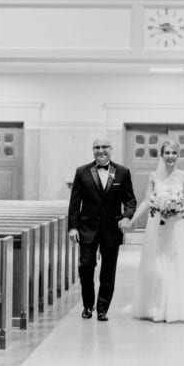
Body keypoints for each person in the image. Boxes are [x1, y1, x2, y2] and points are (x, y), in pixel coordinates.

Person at [126, 139, 184, 322]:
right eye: (167, 153)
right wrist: (133, 220)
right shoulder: (154, 176)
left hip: (176, 224)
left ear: (178, 155)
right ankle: (154, 305)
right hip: (156, 225)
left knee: (175, 262)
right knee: (155, 264)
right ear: (162, 155)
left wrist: (177, 209)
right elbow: (147, 201)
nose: (170, 156)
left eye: (173, 153)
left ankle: (175, 307)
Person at [67, 137, 136, 321]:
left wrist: (127, 217)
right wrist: (72, 228)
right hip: (87, 228)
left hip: (111, 228)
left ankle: (103, 308)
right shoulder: (82, 172)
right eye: (97, 147)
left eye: (104, 147)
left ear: (111, 149)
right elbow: (74, 203)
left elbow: (130, 200)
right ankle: (87, 306)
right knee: (86, 267)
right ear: (93, 150)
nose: (101, 150)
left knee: (108, 270)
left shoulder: (122, 172)